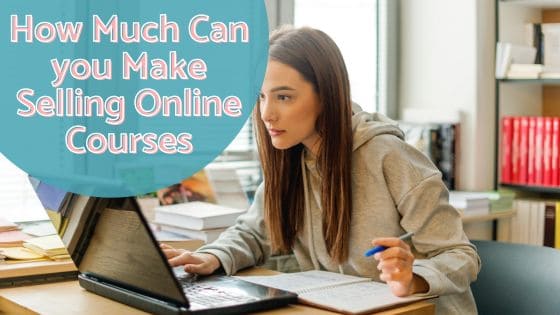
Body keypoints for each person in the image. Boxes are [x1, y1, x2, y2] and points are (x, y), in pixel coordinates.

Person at [161, 26, 480, 314]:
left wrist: (414, 278)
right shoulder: (291, 158)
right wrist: (213, 256)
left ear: (327, 96)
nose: (267, 114)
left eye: (283, 96)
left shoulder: (390, 158)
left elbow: (460, 255)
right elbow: (253, 234)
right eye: (261, 97)